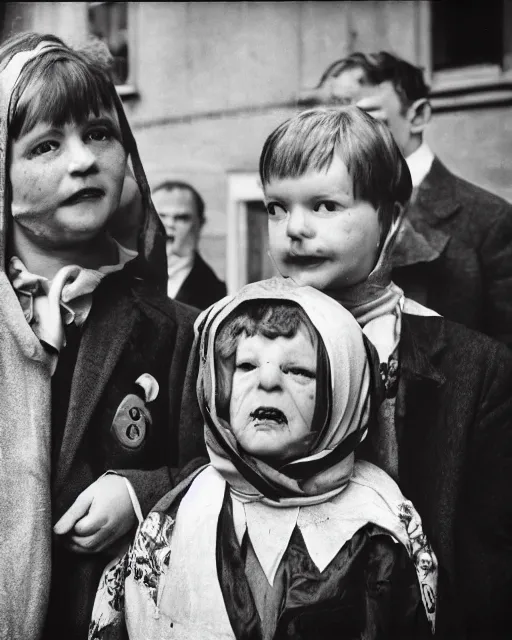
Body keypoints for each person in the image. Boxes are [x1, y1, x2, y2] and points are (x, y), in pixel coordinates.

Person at [259, 106, 512, 639]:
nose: (295, 229)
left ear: (392, 219)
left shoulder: (476, 368)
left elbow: (487, 557)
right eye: (276, 208)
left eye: (325, 205)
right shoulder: (234, 344)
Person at [90, 277, 437, 640]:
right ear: (218, 387)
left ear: (343, 393)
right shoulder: (177, 514)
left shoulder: (381, 524)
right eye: (245, 366)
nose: (267, 382)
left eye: (298, 371)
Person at [0, 32, 204, 640]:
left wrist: (144, 491)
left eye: (99, 133)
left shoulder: (178, 330)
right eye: (45, 146)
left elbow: (224, 471)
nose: (84, 160)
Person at [314, 51, 512, 348]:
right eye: (329, 121)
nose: (342, 136)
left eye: (366, 118)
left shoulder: (489, 219)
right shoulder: (309, 211)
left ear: (417, 116)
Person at [151, 180, 227, 310]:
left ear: (200, 224)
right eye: (160, 216)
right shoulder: (123, 277)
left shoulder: (214, 291)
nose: (169, 224)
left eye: (181, 218)